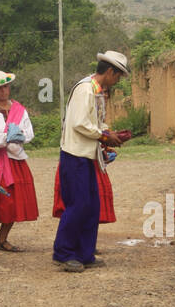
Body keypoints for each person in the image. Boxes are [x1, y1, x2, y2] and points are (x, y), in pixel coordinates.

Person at [53, 51, 127, 272]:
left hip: (87, 155)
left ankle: (85, 253)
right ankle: (64, 252)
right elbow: (79, 123)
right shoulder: (85, 90)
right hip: (75, 155)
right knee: (78, 205)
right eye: (118, 76)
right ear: (110, 72)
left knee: (92, 206)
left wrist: (109, 133)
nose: (117, 81)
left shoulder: (95, 91)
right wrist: (104, 136)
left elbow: (93, 123)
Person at [0, 70, 38, 253]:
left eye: (6, 86)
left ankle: (3, 237)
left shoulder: (19, 109)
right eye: (0, 87)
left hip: (16, 158)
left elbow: (29, 132)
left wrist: (19, 136)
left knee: (15, 200)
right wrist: (8, 137)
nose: (4, 90)